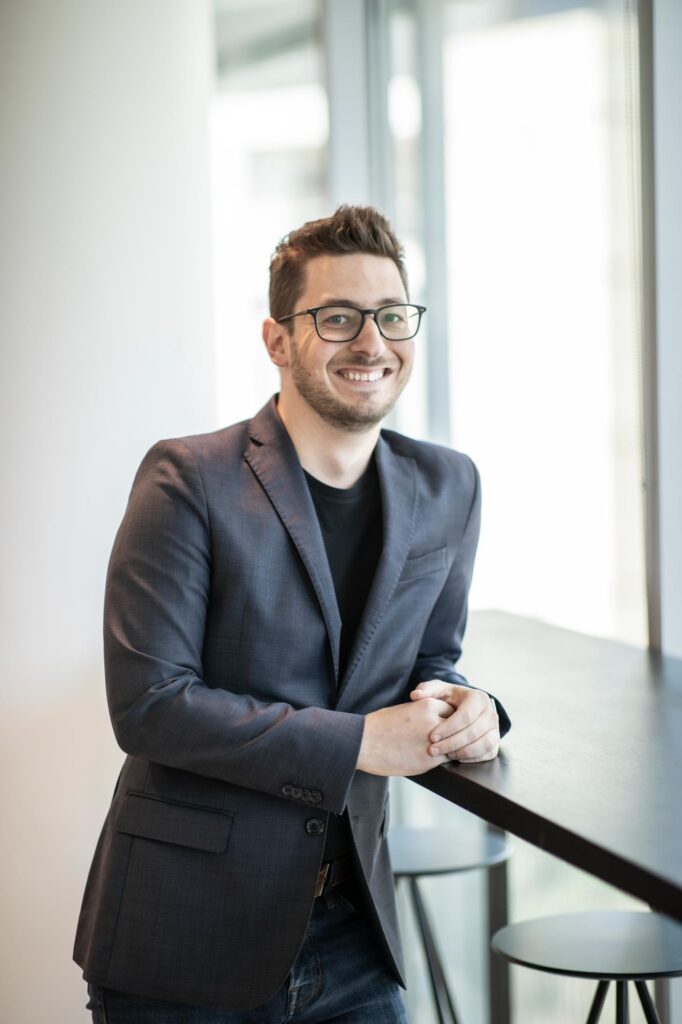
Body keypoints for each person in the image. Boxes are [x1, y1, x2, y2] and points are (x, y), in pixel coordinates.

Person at [74, 205, 511, 1023]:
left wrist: (470, 707)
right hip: (185, 938)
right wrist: (360, 742)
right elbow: (150, 706)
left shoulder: (449, 486)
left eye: (391, 316)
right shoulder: (186, 479)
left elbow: (432, 659)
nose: (372, 342)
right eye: (337, 318)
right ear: (277, 340)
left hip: (353, 931)